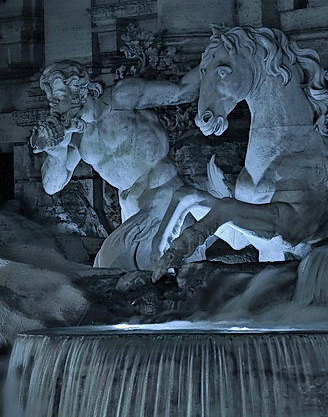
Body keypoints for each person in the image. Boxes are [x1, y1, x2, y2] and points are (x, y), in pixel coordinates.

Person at [30, 60, 200, 270]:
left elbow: (183, 91)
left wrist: (215, 58)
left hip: (164, 192)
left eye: (58, 97)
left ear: (79, 89)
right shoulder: (75, 136)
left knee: (110, 260)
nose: (53, 107)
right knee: (130, 272)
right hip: (131, 206)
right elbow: (51, 186)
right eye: (51, 101)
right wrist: (56, 152)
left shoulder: (121, 97)